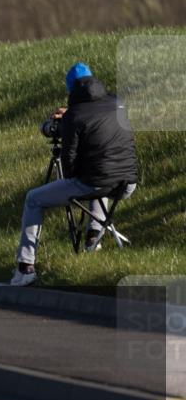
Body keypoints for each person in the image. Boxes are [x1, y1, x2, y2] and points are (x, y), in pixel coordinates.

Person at [11, 62, 139, 286]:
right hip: (127, 182)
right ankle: (93, 238)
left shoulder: (74, 116)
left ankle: (25, 268)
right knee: (101, 177)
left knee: (34, 199)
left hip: (96, 184)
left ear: (71, 90)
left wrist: (66, 123)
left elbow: (69, 169)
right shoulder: (117, 103)